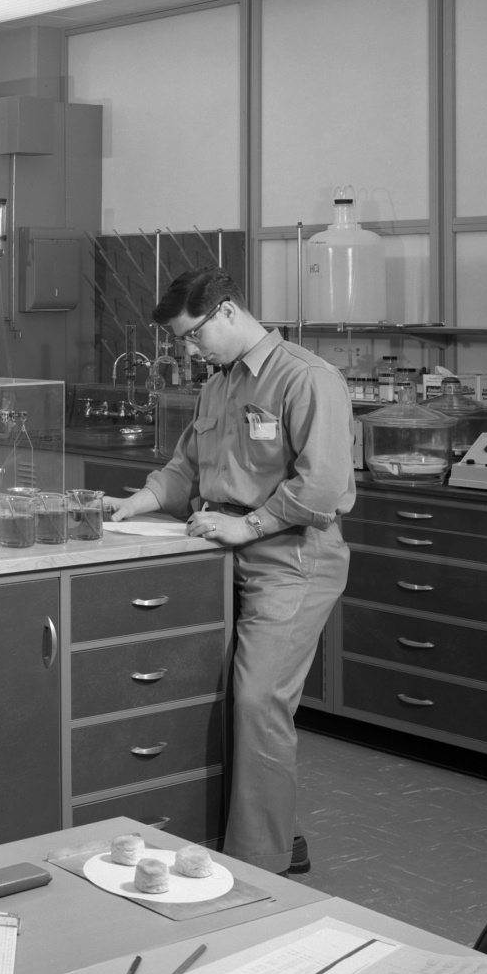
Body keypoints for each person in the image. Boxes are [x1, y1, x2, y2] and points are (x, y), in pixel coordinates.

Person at [106, 268, 353, 875]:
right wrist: (140, 501)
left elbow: (323, 487)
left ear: (225, 311)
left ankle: (261, 862)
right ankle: (249, 830)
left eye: (193, 336)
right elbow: (185, 467)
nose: (190, 351)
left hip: (290, 557)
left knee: (259, 699)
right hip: (222, 551)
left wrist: (251, 526)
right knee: (208, 695)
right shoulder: (218, 386)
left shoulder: (307, 377)